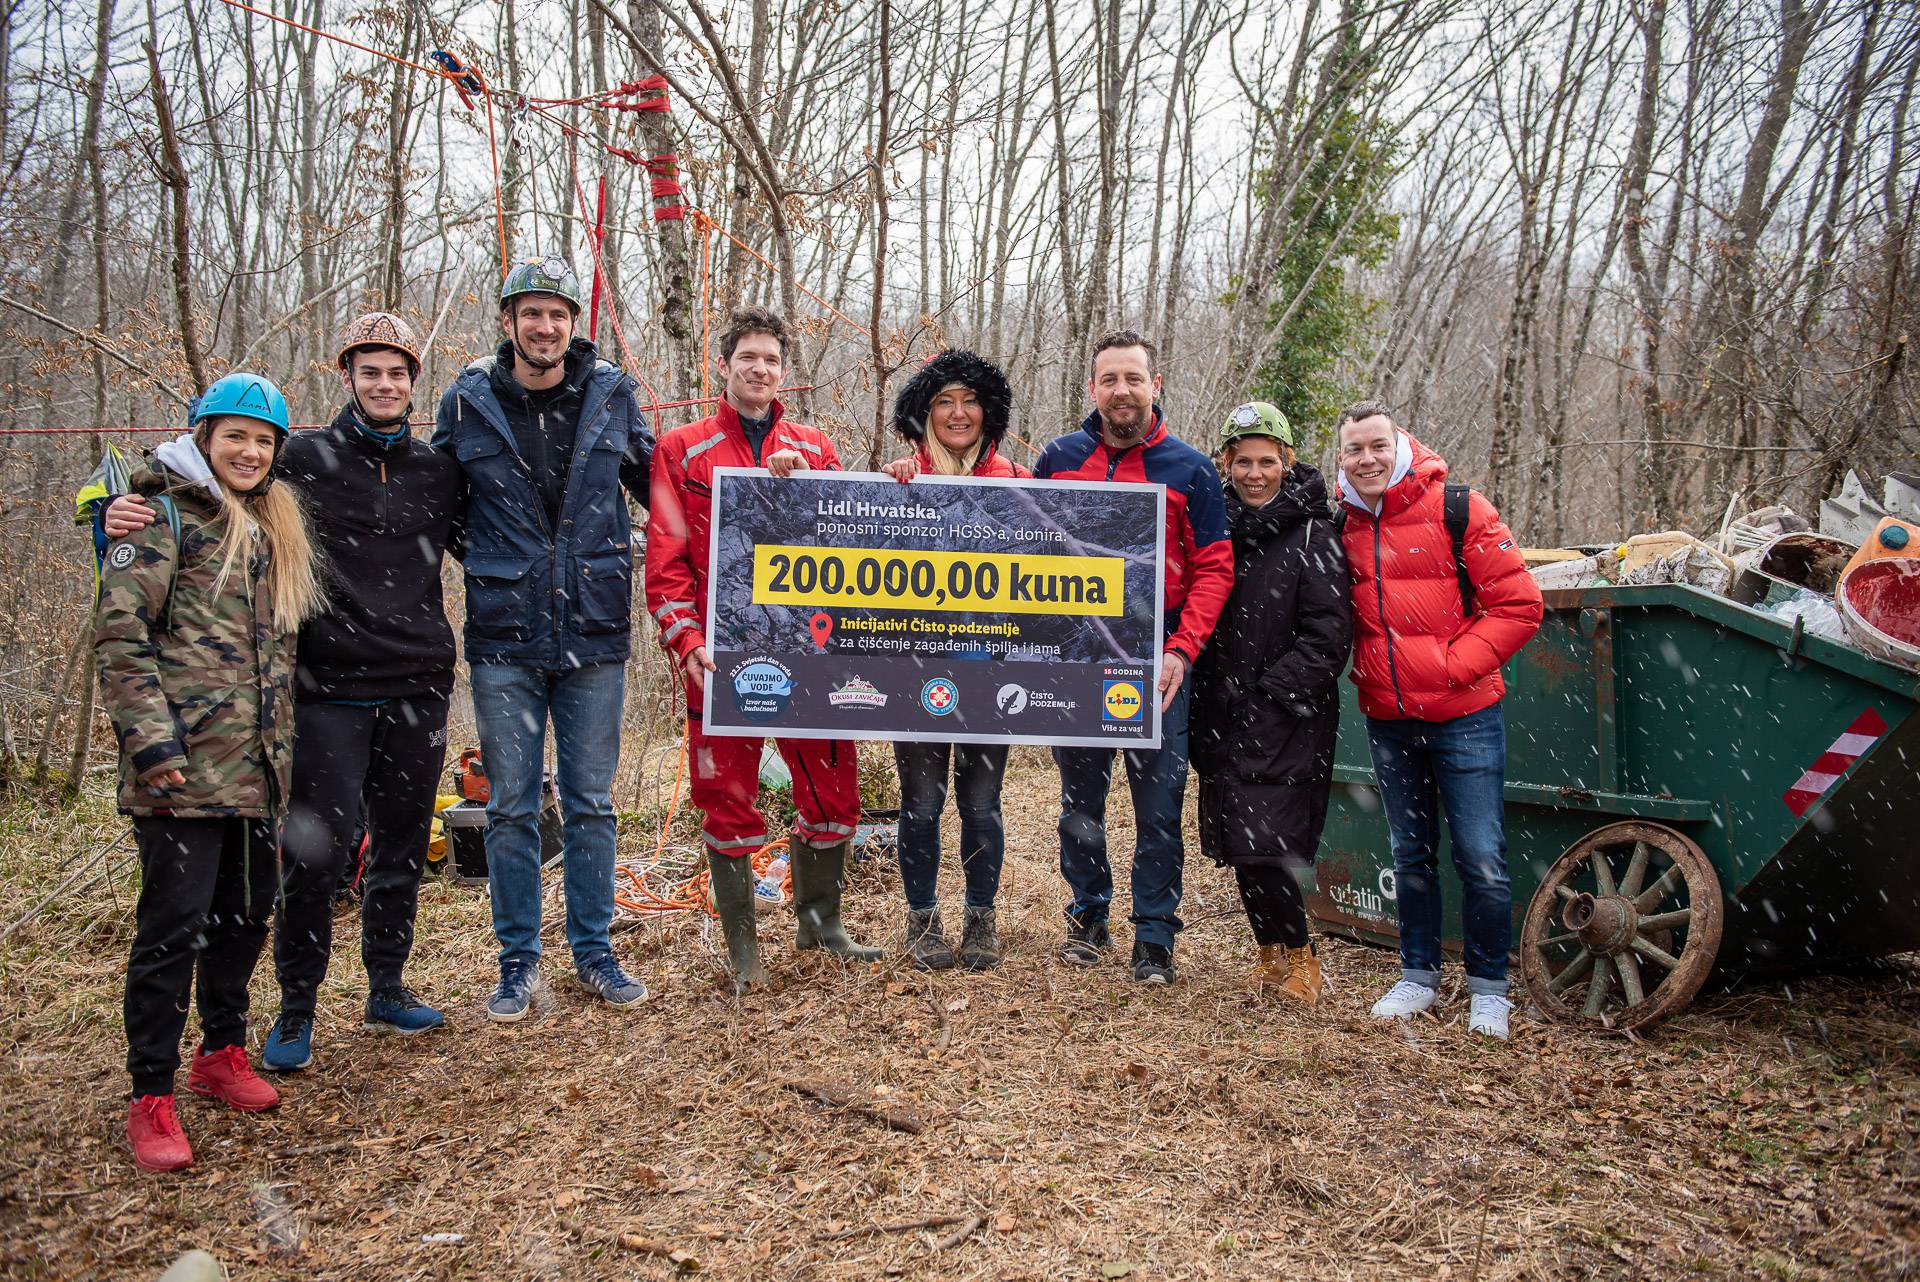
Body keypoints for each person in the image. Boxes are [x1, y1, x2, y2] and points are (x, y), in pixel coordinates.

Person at [94, 372, 326, 1172]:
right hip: (180, 776)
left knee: (245, 918)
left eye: (263, 441)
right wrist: (152, 745)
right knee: (171, 933)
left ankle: (221, 1051)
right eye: (235, 435)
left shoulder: (267, 527)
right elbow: (121, 635)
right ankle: (149, 1094)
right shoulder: (158, 516)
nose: (250, 451)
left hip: (255, 774)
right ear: (202, 436)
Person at [433, 255, 655, 1022]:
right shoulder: (466, 402)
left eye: (557, 313)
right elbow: (438, 506)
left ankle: (594, 952)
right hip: (505, 640)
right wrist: (503, 566)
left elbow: (663, 488)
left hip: (594, 634)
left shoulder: (611, 395)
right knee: (512, 809)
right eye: (530, 312)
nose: (544, 325)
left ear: (572, 324)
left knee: (591, 804)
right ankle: (518, 963)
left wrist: (765, 483)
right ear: (507, 322)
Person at [647, 306, 880, 993]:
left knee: (834, 789)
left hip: (810, 652)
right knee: (726, 796)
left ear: (785, 372)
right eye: (747, 357)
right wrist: (683, 638)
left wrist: (802, 487)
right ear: (725, 367)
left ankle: (820, 921)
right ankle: (743, 949)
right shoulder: (681, 449)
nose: (759, 369)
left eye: (772, 360)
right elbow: (665, 560)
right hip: (723, 657)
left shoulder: (814, 448)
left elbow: (846, 548)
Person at [1333, 400, 1543, 1040]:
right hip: (1389, 720)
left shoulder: (1459, 509)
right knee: (1410, 853)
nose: (1366, 459)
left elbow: (1519, 604)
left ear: (1398, 445)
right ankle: (1418, 975)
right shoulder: (1338, 523)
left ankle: (1488, 989)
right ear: (1340, 460)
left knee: (1482, 856)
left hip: (1465, 717)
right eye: (1353, 450)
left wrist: (1453, 667)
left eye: (1376, 446)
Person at [1034, 330, 1233, 984]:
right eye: (1110, 379)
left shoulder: (1192, 469)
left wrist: (1182, 649)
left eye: (1134, 378)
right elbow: (1021, 549)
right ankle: (1088, 918)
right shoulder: (1058, 459)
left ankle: (1154, 938)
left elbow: (1215, 570)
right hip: (1078, 656)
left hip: (1159, 658)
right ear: (1092, 388)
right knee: (1079, 804)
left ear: (1156, 385)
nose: (1123, 391)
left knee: (1158, 808)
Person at [1191, 402, 1351, 1003]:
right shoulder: (1214, 526)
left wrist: (1272, 696)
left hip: (1286, 717)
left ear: (1286, 462)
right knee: (1240, 843)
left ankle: (1300, 955)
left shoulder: (1315, 533)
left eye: (1267, 461)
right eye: (1242, 461)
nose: (1255, 473)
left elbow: (1328, 636)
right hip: (1219, 712)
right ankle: (1269, 952)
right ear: (1226, 464)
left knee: (1267, 845)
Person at [879, 350, 1029, 971]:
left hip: (989, 668)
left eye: (969, 400)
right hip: (913, 667)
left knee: (981, 803)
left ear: (988, 412)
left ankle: (980, 918)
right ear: (924, 413)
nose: (958, 412)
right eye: (944, 401)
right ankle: (921, 919)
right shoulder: (897, 481)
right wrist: (887, 494)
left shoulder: (1020, 480)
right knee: (919, 803)